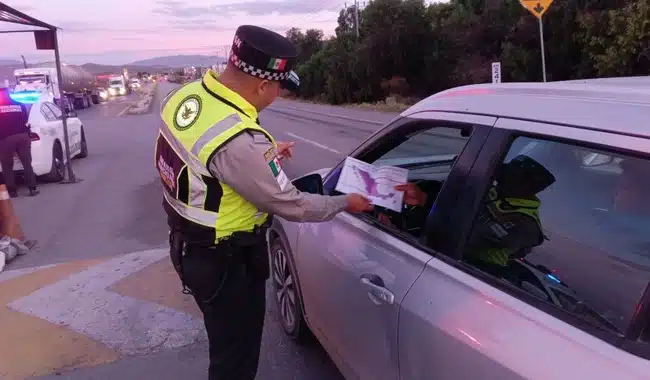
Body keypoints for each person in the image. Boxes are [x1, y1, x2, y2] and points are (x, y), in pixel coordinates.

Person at [154, 25, 373, 380]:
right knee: (234, 363)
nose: (276, 97)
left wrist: (262, 161)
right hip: (226, 263)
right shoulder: (239, 141)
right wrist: (345, 202)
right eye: (278, 89)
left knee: (225, 347)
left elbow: (206, 163)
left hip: (188, 246)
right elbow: (293, 205)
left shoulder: (188, 96)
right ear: (262, 85)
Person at [391, 155, 555, 275]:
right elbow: (464, 190)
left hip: (476, 272)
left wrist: (425, 201)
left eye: (507, 176)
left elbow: (470, 233)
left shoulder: (526, 225)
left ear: (526, 188)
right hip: (448, 258)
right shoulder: (499, 192)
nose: (498, 177)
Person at [0, 88, 39, 197]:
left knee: (7, 166)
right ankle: (32, 188)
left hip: (5, 139)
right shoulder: (19, 104)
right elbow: (26, 120)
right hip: (22, 137)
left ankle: (12, 191)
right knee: (26, 163)